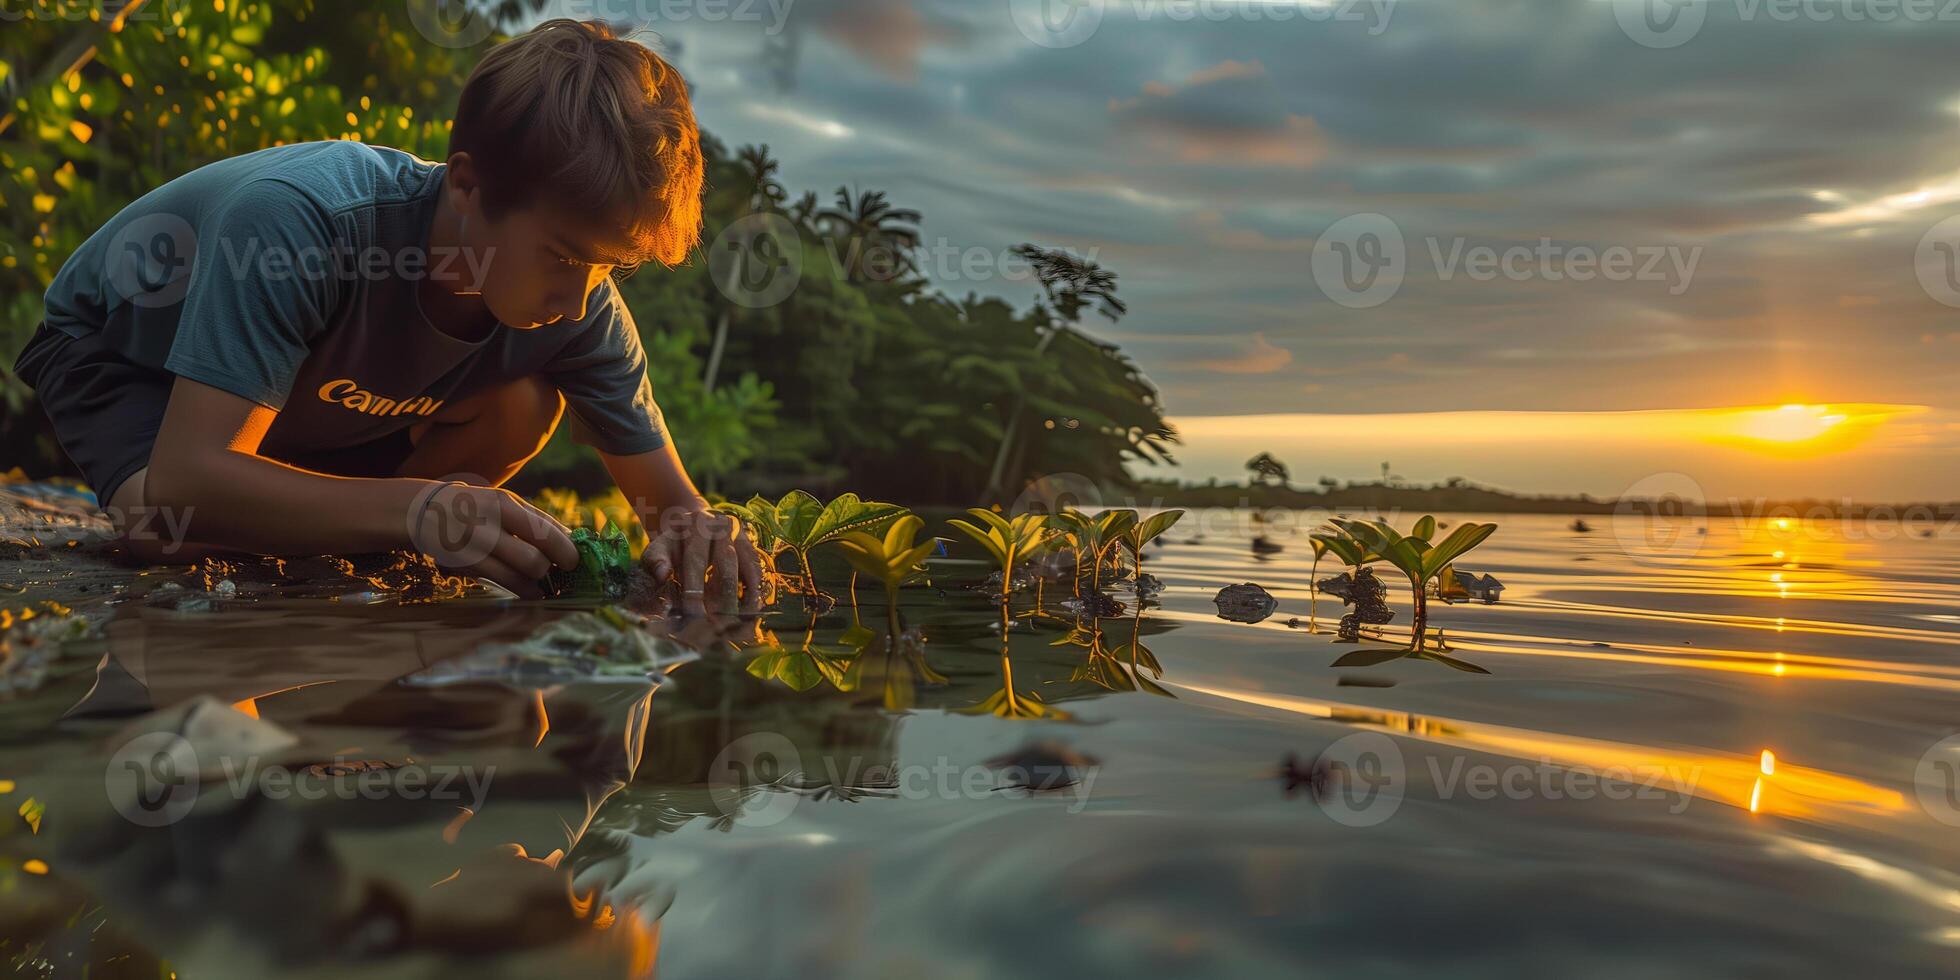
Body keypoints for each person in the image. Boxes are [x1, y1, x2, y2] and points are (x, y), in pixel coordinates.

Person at [11, 19, 761, 613]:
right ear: (467, 186)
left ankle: (336, 532)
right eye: (565, 257)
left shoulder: (583, 302)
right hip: (126, 355)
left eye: (609, 265)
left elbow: (673, 509)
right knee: (171, 530)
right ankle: (344, 517)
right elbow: (181, 483)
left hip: (312, 409)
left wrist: (704, 535)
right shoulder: (302, 225)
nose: (581, 296)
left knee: (527, 402)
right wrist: (419, 508)